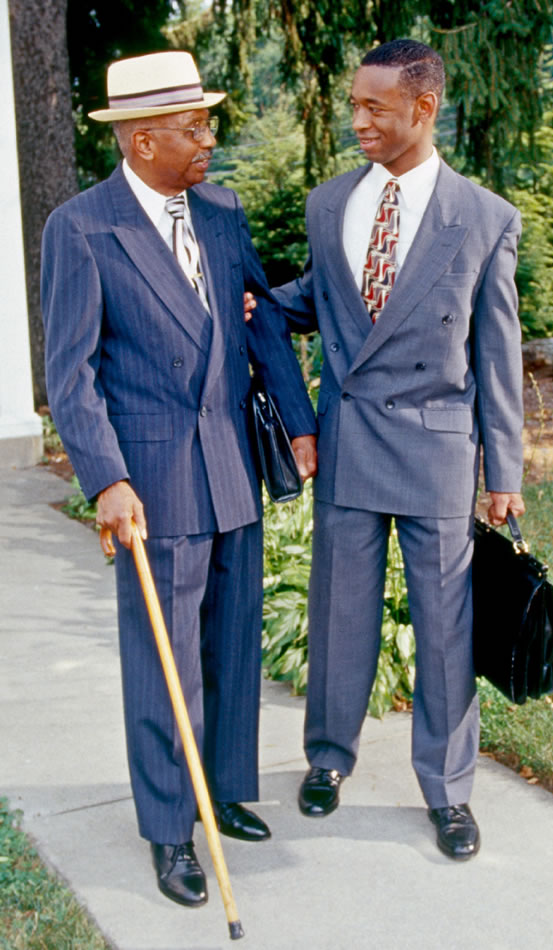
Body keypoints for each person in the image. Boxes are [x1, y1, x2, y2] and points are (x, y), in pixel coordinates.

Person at [41, 50, 317, 907]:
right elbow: (70, 373)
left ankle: (223, 790)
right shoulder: (82, 227)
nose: (209, 139)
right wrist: (107, 480)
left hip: (230, 461)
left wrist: (300, 426)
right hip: (153, 480)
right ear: (141, 137)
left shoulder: (224, 211)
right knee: (166, 666)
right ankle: (170, 830)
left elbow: (261, 318)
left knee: (232, 643)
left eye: (207, 122)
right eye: (193, 127)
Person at [273, 38, 525, 861]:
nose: (358, 121)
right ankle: (328, 758)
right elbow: (322, 299)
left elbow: (497, 356)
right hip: (351, 443)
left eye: (374, 107)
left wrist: (505, 475)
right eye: (353, 104)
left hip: (437, 452)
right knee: (341, 610)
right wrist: (254, 305)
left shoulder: (485, 219)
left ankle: (449, 793)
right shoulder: (328, 204)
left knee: (446, 628)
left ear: (423, 109)